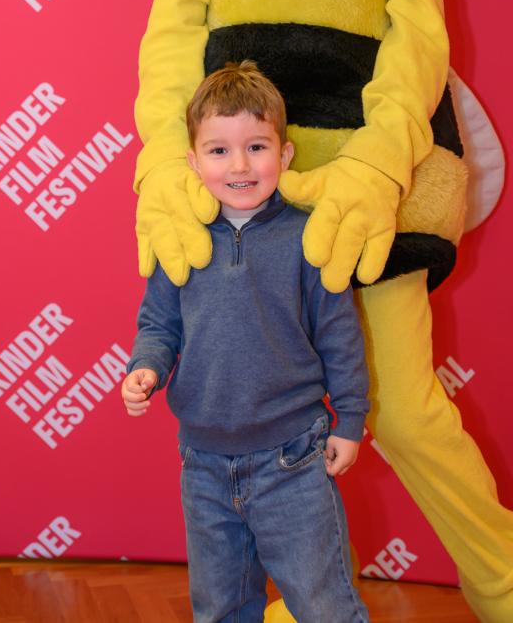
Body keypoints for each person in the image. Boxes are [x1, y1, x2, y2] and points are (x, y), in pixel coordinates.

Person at [121, 61, 370, 623]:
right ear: (193, 161)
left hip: (293, 456)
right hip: (203, 462)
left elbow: (339, 334)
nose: (239, 166)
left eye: (256, 147)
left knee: (324, 604)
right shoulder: (180, 236)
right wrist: (146, 367)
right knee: (220, 608)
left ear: (284, 154)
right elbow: (159, 324)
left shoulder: (308, 235)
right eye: (219, 151)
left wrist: (351, 418)